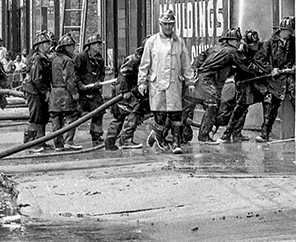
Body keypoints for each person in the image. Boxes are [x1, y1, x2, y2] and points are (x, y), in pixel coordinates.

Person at [138, 9, 194, 154]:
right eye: (165, 24)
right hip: (157, 84)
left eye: (170, 24)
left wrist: (190, 80)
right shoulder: (152, 42)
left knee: (176, 114)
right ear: (160, 24)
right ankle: (159, 138)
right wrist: (142, 82)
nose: (168, 27)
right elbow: (144, 64)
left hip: (174, 83)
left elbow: (185, 63)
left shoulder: (179, 42)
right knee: (160, 115)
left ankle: (176, 143)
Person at [192, 27, 252, 143]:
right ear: (230, 41)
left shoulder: (215, 48)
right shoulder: (231, 51)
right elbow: (246, 66)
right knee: (212, 104)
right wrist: (266, 71)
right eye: (237, 41)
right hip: (208, 81)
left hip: (200, 79)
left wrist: (194, 70)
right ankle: (204, 136)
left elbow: (200, 57)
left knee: (191, 105)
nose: (239, 43)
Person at [221, 30, 270, 143]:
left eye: (256, 44)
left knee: (268, 100)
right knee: (241, 107)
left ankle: (265, 133)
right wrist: (262, 70)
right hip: (245, 81)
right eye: (252, 44)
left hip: (259, 81)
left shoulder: (263, 48)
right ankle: (229, 133)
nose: (255, 46)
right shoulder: (240, 51)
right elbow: (246, 66)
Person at [256, 17, 296, 143]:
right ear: (282, 30)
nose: (290, 34)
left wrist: (294, 66)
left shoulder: (293, 42)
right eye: (288, 31)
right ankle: (264, 134)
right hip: (276, 79)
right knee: (272, 106)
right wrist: (270, 69)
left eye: (291, 31)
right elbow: (259, 57)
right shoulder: (270, 42)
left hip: (289, 77)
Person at [106, 44, 147, 150]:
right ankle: (126, 140)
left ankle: (110, 142)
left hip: (125, 91)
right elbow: (124, 73)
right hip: (123, 91)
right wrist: (125, 90)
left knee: (119, 116)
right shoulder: (134, 59)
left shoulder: (142, 60)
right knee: (135, 110)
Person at [72, 33, 107, 149]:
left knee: (99, 111)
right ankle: (67, 138)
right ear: (90, 45)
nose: (99, 46)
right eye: (97, 44)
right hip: (81, 91)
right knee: (75, 114)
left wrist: (99, 83)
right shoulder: (81, 57)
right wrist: (79, 85)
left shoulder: (100, 60)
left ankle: (96, 136)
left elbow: (102, 74)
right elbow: (73, 72)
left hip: (93, 90)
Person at [48, 34, 80, 150]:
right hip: (65, 92)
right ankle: (68, 141)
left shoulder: (53, 59)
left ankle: (58, 144)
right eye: (71, 46)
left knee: (56, 118)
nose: (74, 49)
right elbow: (69, 79)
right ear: (66, 47)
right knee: (72, 115)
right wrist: (74, 93)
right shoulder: (68, 61)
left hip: (54, 92)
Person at [21, 32, 52, 147]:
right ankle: (31, 143)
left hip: (39, 90)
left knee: (43, 116)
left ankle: (41, 141)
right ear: (39, 46)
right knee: (36, 116)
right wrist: (46, 92)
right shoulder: (37, 59)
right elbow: (36, 78)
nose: (49, 45)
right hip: (34, 91)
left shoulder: (45, 58)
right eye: (46, 43)